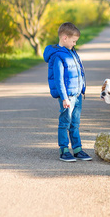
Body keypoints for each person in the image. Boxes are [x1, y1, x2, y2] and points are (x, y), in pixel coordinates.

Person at [43, 22, 92, 162]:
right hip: (67, 97)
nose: (74, 44)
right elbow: (59, 80)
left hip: (77, 95)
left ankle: (77, 149)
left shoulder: (71, 52)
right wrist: (64, 98)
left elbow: (78, 72)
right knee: (65, 122)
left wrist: (81, 89)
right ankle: (64, 150)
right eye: (73, 41)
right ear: (65, 38)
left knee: (75, 123)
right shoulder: (58, 56)